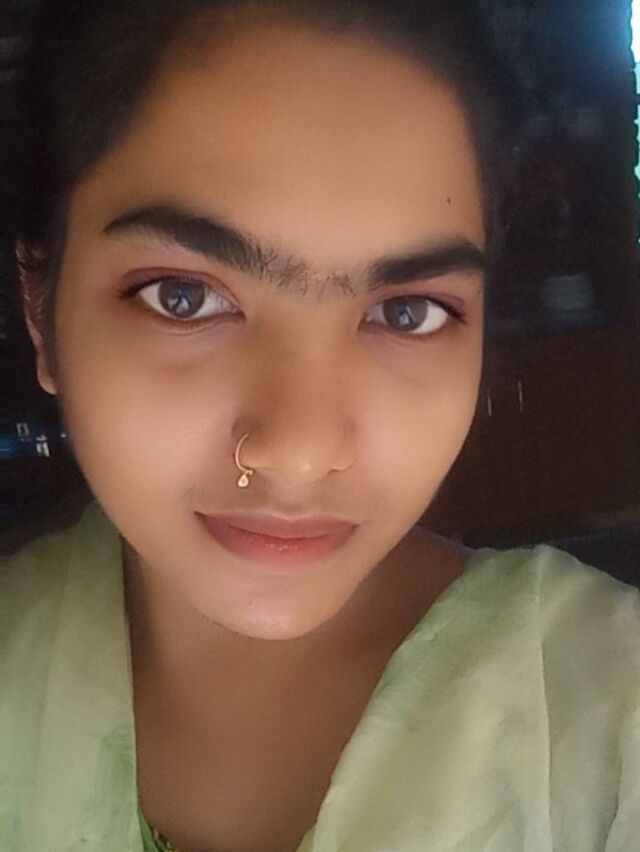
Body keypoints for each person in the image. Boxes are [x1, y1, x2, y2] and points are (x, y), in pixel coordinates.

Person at [2, 1, 638, 850]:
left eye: (408, 312)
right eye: (183, 298)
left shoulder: (609, 718)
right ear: (40, 313)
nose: (300, 456)